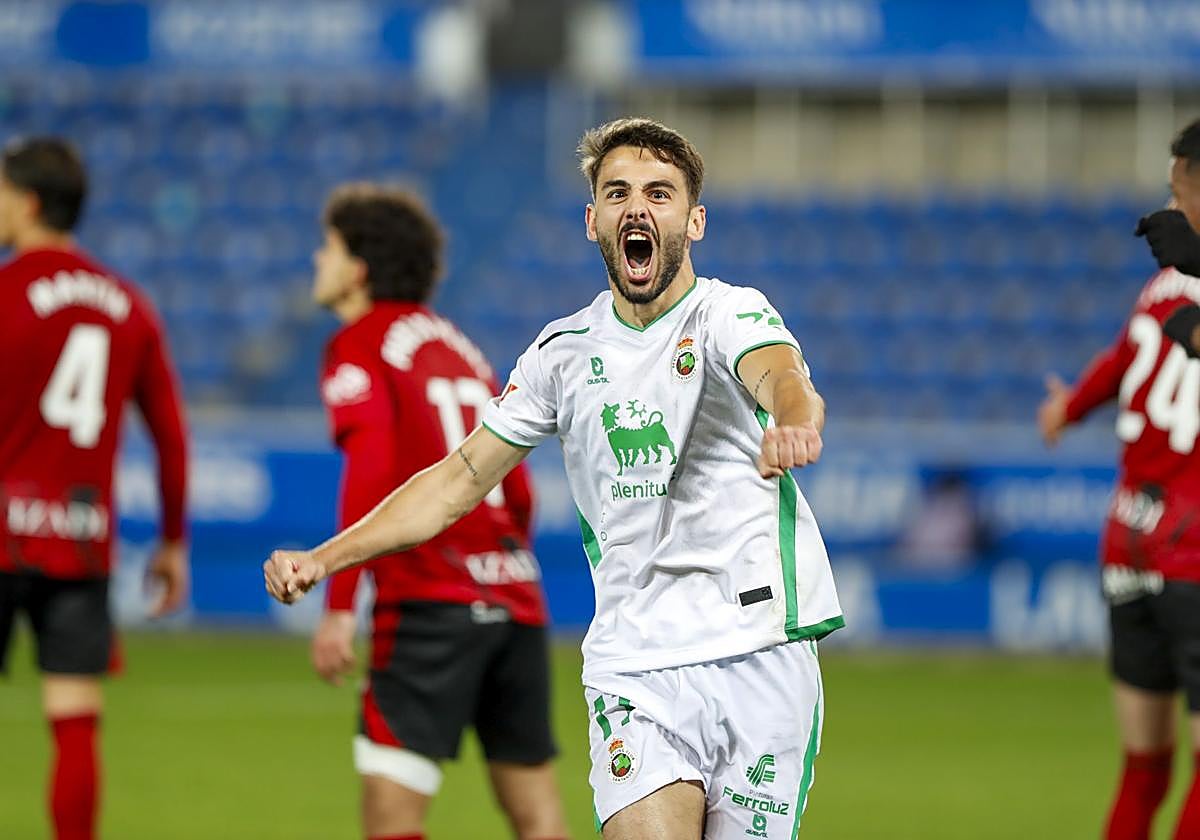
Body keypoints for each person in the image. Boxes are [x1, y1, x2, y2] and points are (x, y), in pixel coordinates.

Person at [265, 118, 843, 840]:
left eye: (660, 194)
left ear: (693, 221)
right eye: (618, 193)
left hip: (760, 650)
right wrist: (325, 558)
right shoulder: (560, 354)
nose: (638, 208)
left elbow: (784, 377)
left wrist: (794, 420)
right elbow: (457, 479)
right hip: (635, 666)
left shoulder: (730, 313)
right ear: (591, 219)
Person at [305, 183, 568, 840]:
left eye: (328, 248)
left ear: (358, 268)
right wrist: (503, 564)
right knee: (536, 813)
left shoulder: (361, 342)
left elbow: (369, 467)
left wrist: (340, 606)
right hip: (515, 600)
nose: (317, 260)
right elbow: (519, 484)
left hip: (430, 603)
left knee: (393, 818)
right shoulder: (459, 346)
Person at [0, 136, 189, 840]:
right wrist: (172, 541)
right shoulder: (127, 304)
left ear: (28, 201)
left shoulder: (6, 291)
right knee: (74, 721)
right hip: (79, 545)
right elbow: (171, 436)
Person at [1040, 118, 1200, 839]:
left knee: (1143, 769)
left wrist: (1069, 407)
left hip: (1128, 537)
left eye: (1178, 191)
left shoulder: (1166, 285)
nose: (1168, 207)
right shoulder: (1179, 280)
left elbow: (1120, 359)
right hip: (1192, 550)